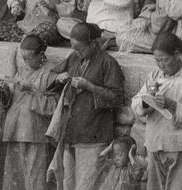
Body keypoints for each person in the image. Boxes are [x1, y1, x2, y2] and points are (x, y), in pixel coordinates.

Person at [50, 22, 125, 190]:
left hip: (94, 133)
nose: (77, 53)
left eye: (81, 49)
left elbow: (117, 98)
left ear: (93, 43)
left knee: (88, 184)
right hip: (71, 131)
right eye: (74, 48)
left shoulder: (108, 63)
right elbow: (53, 74)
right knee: (68, 183)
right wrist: (58, 78)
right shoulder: (74, 58)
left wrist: (90, 87)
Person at [131, 32, 182, 190]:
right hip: (156, 144)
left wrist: (173, 105)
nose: (160, 65)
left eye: (164, 60)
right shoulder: (154, 75)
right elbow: (137, 101)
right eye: (157, 60)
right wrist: (146, 105)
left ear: (177, 54)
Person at [2, 34, 61, 190]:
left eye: (29, 58)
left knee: (36, 179)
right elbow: (14, 95)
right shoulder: (23, 68)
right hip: (15, 130)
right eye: (23, 58)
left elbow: (54, 106)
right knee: (15, 178)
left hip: (35, 134)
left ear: (41, 55)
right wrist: (6, 90)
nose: (26, 63)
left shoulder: (52, 72)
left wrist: (31, 90)